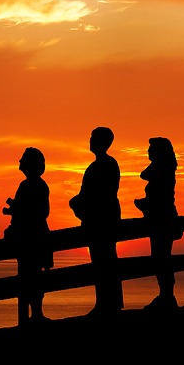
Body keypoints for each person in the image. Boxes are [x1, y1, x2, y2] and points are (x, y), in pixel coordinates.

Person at [69, 126, 122, 315]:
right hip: (99, 218)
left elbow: (103, 193)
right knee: (100, 261)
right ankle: (105, 302)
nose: (90, 140)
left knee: (105, 260)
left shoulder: (107, 165)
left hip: (103, 219)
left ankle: (110, 303)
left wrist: (81, 204)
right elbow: (87, 193)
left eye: (93, 137)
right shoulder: (97, 166)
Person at [3, 147, 53, 324]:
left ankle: (34, 314)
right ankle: (33, 314)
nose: (19, 162)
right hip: (34, 235)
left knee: (30, 276)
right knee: (30, 275)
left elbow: (41, 212)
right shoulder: (33, 185)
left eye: (23, 159)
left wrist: (18, 210)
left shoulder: (33, 185)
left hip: (32, 237)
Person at [135, 136, 181, 310]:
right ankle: (166, 295)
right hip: (162, 217)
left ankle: (167, 296)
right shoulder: (166, 167)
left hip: (162, 218)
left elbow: (144, 175)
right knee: (161, 257)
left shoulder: (162, 168)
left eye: (151, 149)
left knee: (161, 258)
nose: (148, 151)